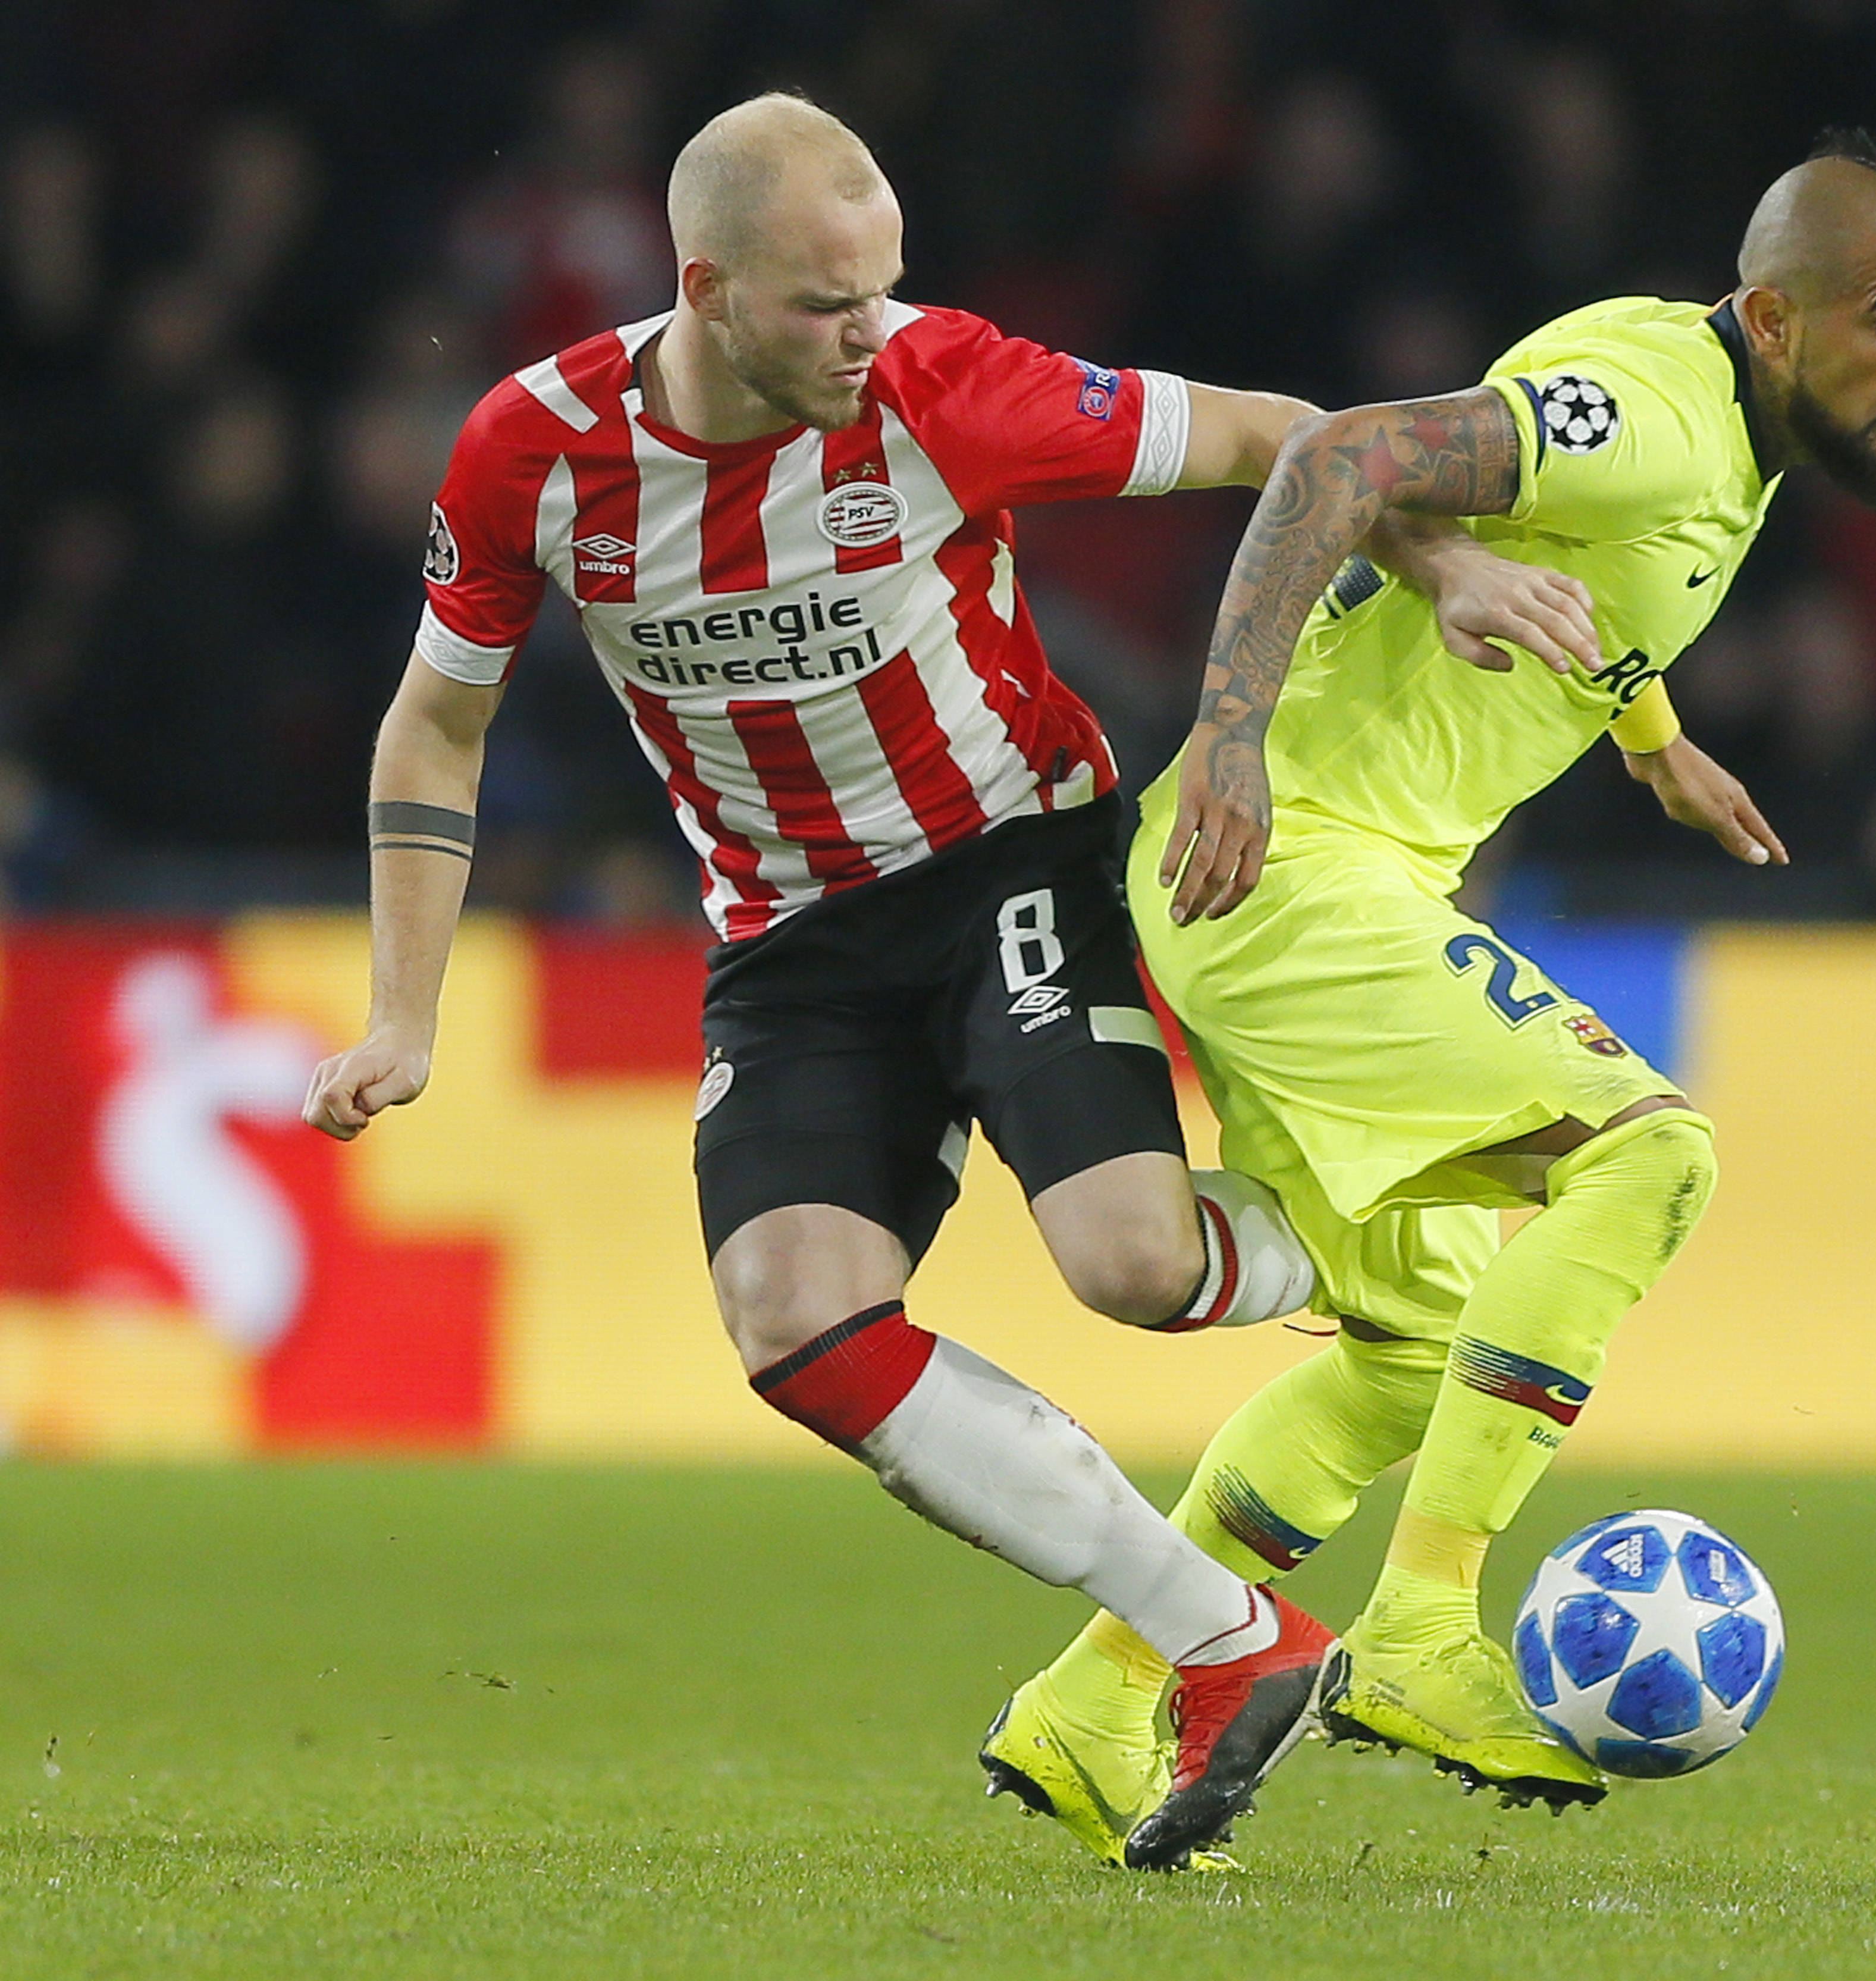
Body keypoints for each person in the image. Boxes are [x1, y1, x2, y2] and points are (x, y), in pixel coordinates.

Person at [299, 93, 1596, 1868]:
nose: (870, 331)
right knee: (792, 1322)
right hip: (789, 942)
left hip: (1009, 861)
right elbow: (436, 721)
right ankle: (1230, 1637)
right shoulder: (531, 453)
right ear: (708, 288)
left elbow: (1286, 436)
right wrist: (402, 1012)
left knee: (1131, 1264)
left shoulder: (946, 385)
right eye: (830, 304)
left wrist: (1439, 558)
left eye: (885, 289)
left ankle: (1366, 1230)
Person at [1014, 129, 1876, 1869]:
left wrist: (1651, 736)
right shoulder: (1660, 408)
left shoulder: (1717, 424)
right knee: (1648, 1157)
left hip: (1296, 883)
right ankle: (1423, 1631)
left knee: (1428, 1343)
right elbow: (1340, 458)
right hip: (1288, 866)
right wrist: (1225, 736)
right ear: (1771, 314)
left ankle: (1095, 1693)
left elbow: (1530, 547)